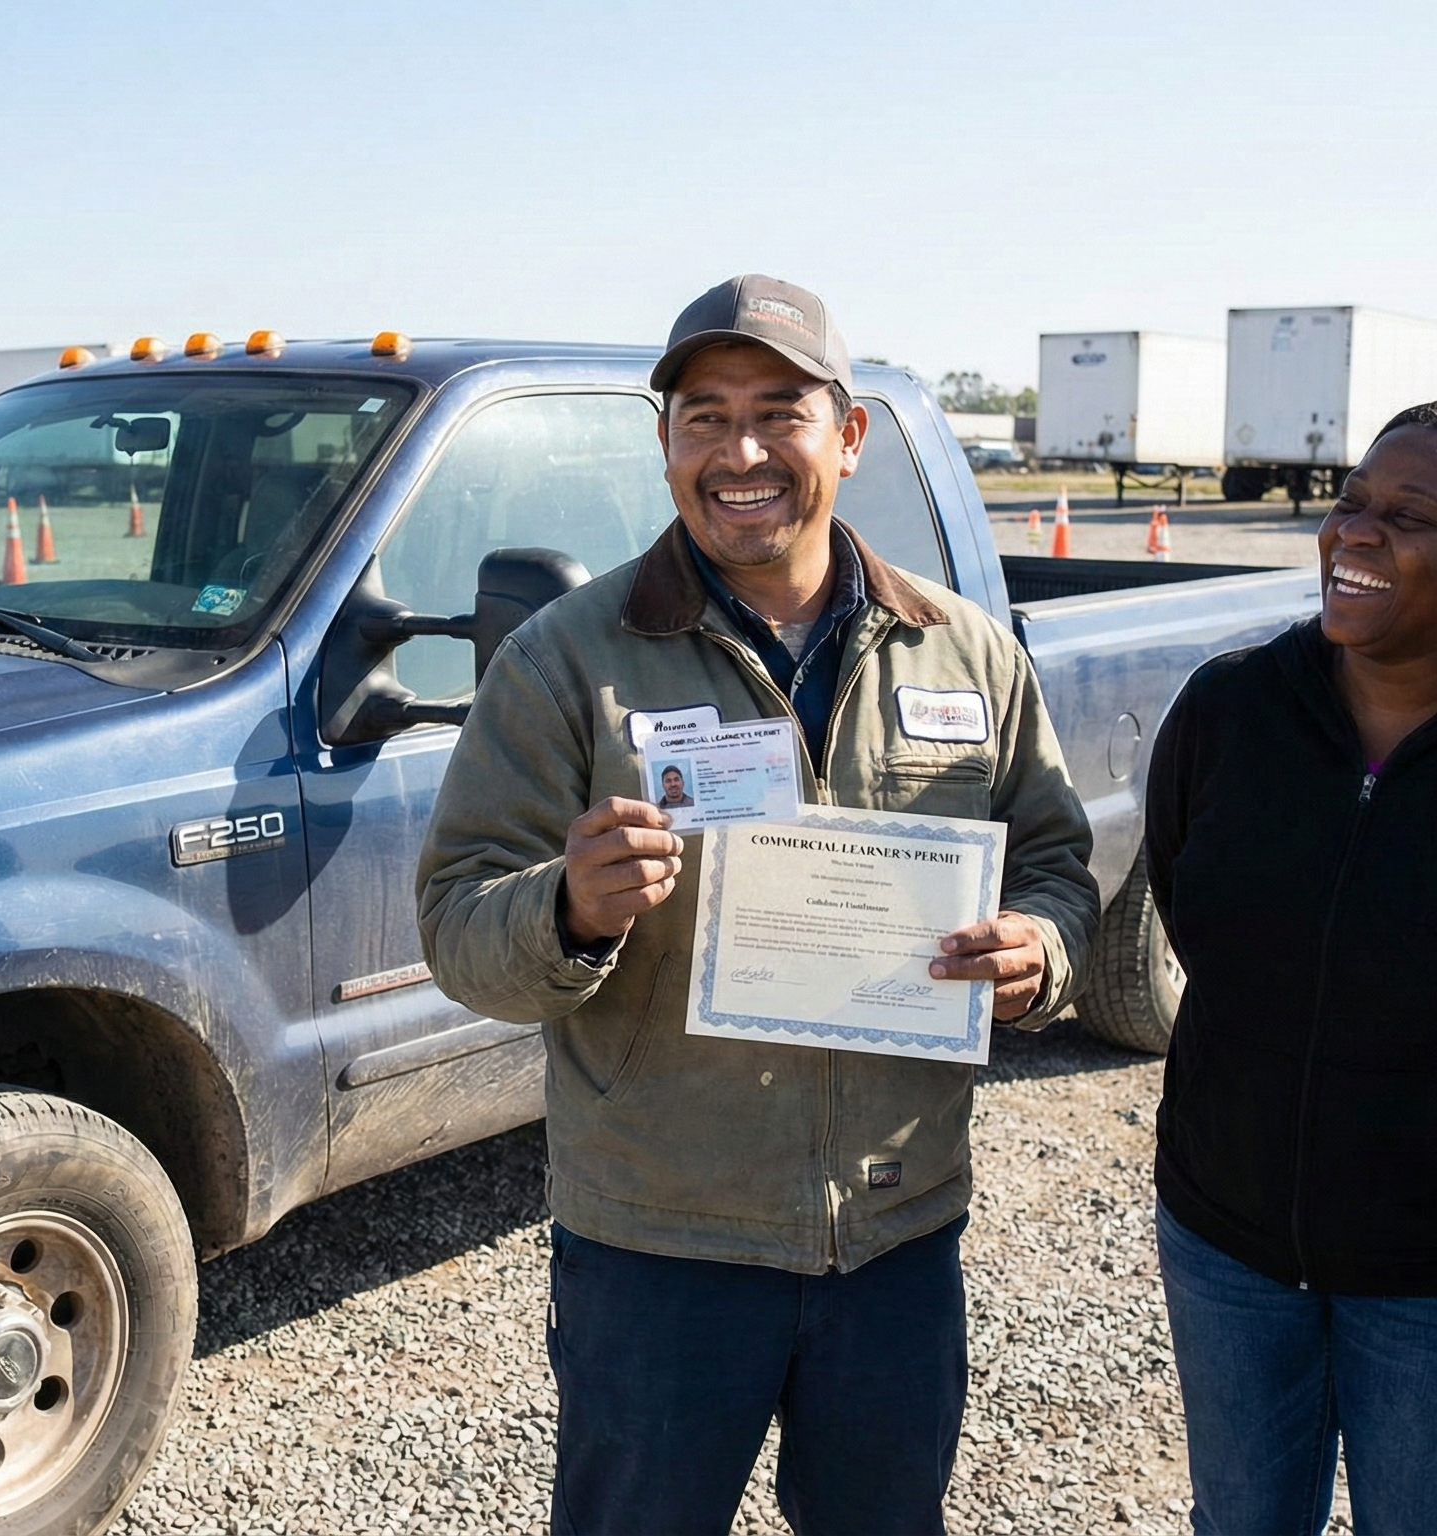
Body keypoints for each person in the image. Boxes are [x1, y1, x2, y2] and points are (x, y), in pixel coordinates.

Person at [416, 275, 1100, 1535]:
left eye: (778, 412)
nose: (740, 452)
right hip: (660, 1242)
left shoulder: (963, 651)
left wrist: (1038, 949)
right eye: (702, 416)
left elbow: (1055, 869)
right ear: (665, 444)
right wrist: (568, 910)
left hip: (894, 1230)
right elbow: (459, 927)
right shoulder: (567, 659)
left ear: (845, 437)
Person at [1143, 399, 1437, 1534]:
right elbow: (1181, 897)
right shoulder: (1229, 708)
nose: (1354, 532)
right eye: (1349, 501)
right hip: (1227, 1238)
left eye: (1406, 516)